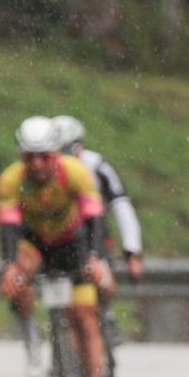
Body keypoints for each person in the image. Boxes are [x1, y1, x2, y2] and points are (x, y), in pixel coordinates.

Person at [0, 115, 113, 377]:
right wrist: (9, 266)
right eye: (29, 156)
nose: (37, 164)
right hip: (35, 243)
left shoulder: (75, 172)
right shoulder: (11, 180)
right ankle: (32, 339)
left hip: (72, 243)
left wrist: (95, 258)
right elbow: (8, 227)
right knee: (17, 275)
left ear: (56, 153)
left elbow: (94, 219)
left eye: (44, 155)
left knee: (86, 320)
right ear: (21, 156)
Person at [51, 114, 144, 325]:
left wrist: (132, 250)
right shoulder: (43, 170)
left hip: (94, 231)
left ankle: (105, 311)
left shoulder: (97, 166)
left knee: (101, 274)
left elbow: (121, 206)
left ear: (80, 147)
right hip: (57, 231)